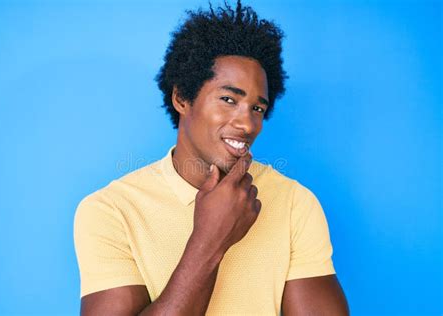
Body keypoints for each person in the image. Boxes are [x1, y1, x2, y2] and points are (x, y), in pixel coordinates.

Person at [73, 1, 349, 315]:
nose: (247, 124)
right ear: (181, 98)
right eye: (228, 99)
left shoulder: (294, 203)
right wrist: (210, 239)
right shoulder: (110, 211)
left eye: (257, 108)